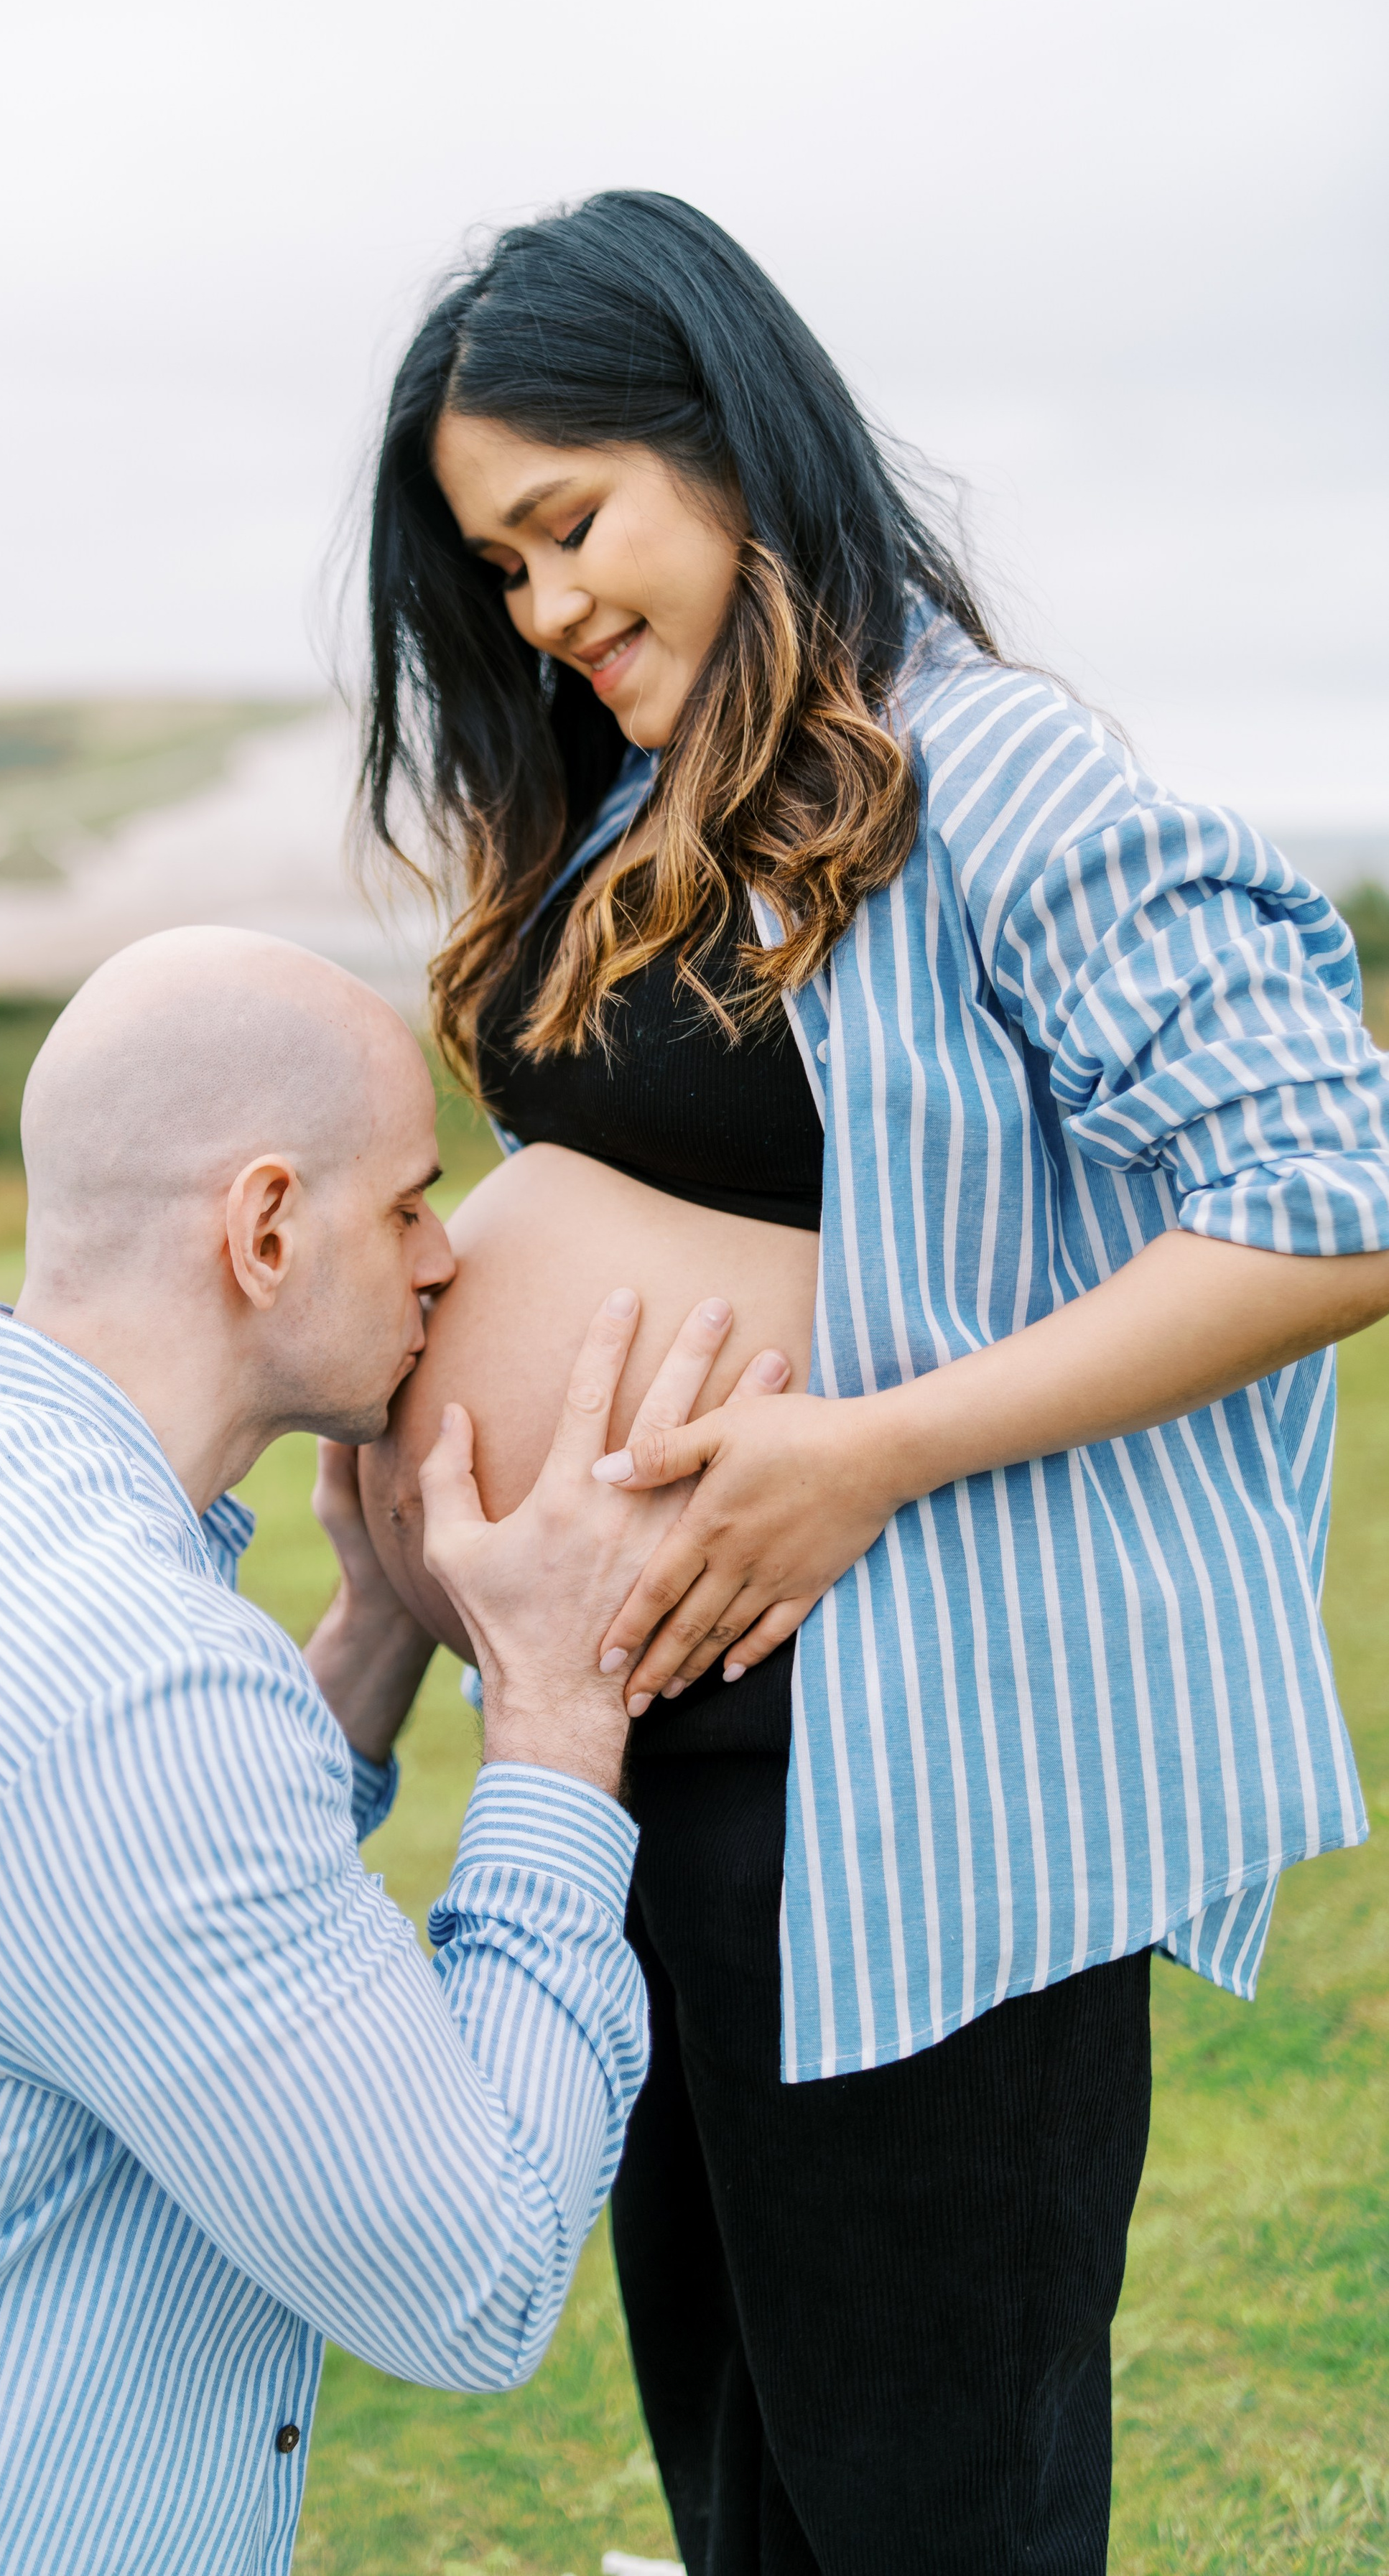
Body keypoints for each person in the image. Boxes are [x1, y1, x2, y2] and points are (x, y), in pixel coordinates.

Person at [354, 190, 1389, 2574]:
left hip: (917, 1779)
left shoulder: (990, 771)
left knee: (933, 2493)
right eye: (494, 569)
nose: (538, 612)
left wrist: (866, 1449)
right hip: (640, 1754)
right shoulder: (634, 798)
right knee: (743, 2458)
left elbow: (1327, 1193)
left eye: (567, 526)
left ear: (729, 437)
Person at [0, 924, 781, 2576]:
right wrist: (556, 1716)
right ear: (264, 1227)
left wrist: (369, 1629)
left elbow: (124, 1904)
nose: (443, 1262)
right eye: (409, 1203)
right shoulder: (123, 1690)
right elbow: (474, 2280)